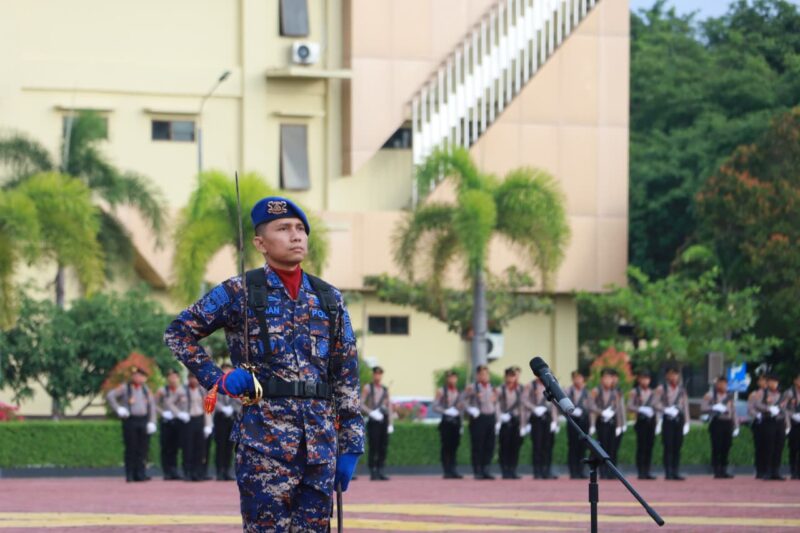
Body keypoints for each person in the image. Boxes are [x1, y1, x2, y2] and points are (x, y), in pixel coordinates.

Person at [164, 196, 364, 531]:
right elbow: (179, 332)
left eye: (300, 228)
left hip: (320, 447)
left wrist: (352, 445)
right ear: (260, 243)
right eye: (283, 228)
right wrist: (219, 378)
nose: (295, 235)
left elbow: (346, 374)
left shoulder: (329, 298)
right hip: (264, 446)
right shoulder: (239, 291)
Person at [106, 366, 157, 482]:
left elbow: (152, 406)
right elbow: (110, 396)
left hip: (143, 420)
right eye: (136, 375)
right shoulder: (125, 388)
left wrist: (152, 422)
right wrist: (118, 409)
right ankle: (130, 474)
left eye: (140, 376)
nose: (138, 378)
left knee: (143, 449)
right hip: (130, 420)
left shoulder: (146, 390)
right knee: (131, 448)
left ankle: (140, 473)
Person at [164, 373, 213, 481]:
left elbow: (207, 407)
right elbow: (169, 403)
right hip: (187, 420)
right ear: (188, 379)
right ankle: (188, 472)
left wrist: (208, 424)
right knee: (188, 447)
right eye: (192, 378)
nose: (194, 380)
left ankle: (198, 473)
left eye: (196, 378)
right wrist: (179, 413)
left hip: (199, 419)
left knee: (200, 448)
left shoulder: (202, 390)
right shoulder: (181, 390)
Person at [701, 375, 739, 479]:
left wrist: (736, 425)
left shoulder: (729, 396)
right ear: (717, 384)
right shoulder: (710, 395)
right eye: (721, 383)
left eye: (725, 384)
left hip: (728, 422)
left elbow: (733, 411)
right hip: (717, 422)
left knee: (726, 447)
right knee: (717, 447)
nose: (723, 385)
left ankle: (724, 469)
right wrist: (713, 407)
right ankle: (716, 470)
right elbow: (703, 407)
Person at [589, 368, 624, 479]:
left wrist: (619, 425)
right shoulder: (596, 390)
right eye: (606, 378)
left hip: (612, 422)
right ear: (602, 379)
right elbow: (591, 405)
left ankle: (611, 471)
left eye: (610, 378)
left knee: (612, 447)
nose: (608, 381)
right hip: (602, 421)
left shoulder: (616, 392)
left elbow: (618, 409)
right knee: (602, 447)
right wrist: (601, 412)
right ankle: (603, 471)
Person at [465, 365, 498, 480]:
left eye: (487, 374)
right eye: (482, 374)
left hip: (490, 418)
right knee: (478, 445)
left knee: (490, 445)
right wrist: (471, 409)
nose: (485, 376)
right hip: (478, 418)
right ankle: (477, 470)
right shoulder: (472, 388)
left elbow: (496, 404)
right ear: (477, 375)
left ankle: (486, 469)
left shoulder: (492, 387)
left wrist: (497, 419)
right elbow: (463, 401)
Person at [658, 365, 690, 480]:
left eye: (676, 374)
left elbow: (685, 406)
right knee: (668, 446)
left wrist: (687, 422)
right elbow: (655, 403)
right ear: (667, 375)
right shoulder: (662, 389)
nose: (674, 376)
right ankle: (668, 471)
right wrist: (665, 409)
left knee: (677, 446)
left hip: (679, 419)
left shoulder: (682, 390)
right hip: (668, 419)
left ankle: (676, 471)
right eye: (671, 374)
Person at [523, 375, 559, 480]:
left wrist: (555, 421)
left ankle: (546, 470)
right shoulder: (530, 385)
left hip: (548, 418)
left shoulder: (551, 384)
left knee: (548, 446)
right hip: (536, 417)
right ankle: (537, 471)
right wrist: (534, 408)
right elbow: (524, 400)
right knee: (537, 445)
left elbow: (554, 403)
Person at [361, 366, 393, 481]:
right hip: (373, 420)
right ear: (373, 375)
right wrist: (371, 412)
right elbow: (361, 403)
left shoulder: (385, 389)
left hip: (383, 420)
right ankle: (373, 470)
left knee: (383, 446)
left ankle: (381, 469)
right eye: (376, 374)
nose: (377, 376)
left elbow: (389, 406)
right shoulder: (368, 388)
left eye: (380, 374)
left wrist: (390, 423)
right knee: (374, 446)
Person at [753, 373, 787, 480]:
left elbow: (785, 408)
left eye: (776, 382)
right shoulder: (761, 392)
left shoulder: (781, 394)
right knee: (768, 447)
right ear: (768, 383)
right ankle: (766, 471)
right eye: (772, 382)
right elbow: (756, 404)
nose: (774, 384)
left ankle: (775, 471)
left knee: (779, 446)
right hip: (768, 421)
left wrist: (786, 422)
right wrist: (768, 408)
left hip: (779, 421)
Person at [432, 369, 464, 479]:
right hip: (446, 422)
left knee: (455, 446)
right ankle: (446, 470)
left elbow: (462, 408)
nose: (452, 379)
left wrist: (461, 423)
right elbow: (435, 406)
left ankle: (454, 469)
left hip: (456, 422)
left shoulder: (459, 392)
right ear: (447, 379)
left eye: (454, 377)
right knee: (446, 447)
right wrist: (445, 411)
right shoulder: (441, 391)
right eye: (450, 377)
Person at [627, 370, 659, 480]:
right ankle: (640, 471)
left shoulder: (653, 392)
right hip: (641, 421)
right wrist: (640, 408)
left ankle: (647, 470)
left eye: (647, 379)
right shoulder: (635, 392)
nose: (645, 381)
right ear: (639, 380)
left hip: (651, 421)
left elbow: (657, 406)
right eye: (643, 378)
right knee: (641, 446)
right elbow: (629, 406)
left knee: (649, 446)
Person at [214, 363, 242, 481]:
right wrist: (223, 408)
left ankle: (227, 470)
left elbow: (241, 401)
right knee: (220, 445)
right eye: (225, 372)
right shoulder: (216, 385)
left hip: (233, 417)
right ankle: (219, 471)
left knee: (230, 446)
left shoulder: (237, 385)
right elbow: (212, 399)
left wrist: (234, 408)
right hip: (221, 417)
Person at [496, 367, 524, 479]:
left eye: (514, 376)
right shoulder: (500, 389)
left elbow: (523, 406)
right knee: (504, 447)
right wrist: (499, 418)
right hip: (504, 420)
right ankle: (504, 470)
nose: (512, 378)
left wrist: (524, 423)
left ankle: (513, 470)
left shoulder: (520, 389)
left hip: (515, 420)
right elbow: (496, 405)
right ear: (505, 377)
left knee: (515, 447)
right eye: (510, 376)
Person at [156, 368, 184, 480]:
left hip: (178, 421)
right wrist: (162, 413)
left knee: (176, 447)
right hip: (166, 421)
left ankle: (174, 470)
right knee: (166, 447)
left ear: (178, 378)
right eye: (170, 377)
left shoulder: (182, 390)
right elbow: (154, 404)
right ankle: (167, 471)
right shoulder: (162, 390)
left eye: (174, 377)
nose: (172, 379)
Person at [565, 370, 590, 479]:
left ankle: (581, 470)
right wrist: (572, 411)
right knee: (573, 446)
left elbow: (591, 406)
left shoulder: (587, 392)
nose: (578, 380)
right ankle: (573, 471)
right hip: (572, 420)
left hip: (584, 420)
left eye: (580, 377)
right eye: (576, 378)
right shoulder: (568, 391)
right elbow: (563, 404)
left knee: (582, 447)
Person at [748, 373, 768, 479]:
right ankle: (760, 470)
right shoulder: (754, 394)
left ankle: (768, 469)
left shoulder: (772, 394)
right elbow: (750, 409)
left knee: (769, 447)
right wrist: (758, 415)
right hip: (759, 423)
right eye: (761, 380)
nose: (764, 383)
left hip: (770, 422)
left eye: (765, 380)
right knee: (760, 447)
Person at [783, 372, 800, 479]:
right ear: (795, 381)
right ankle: (793, 470)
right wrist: (792, 415)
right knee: (794, 447)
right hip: (793, 423)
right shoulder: (789, 393)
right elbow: (783, 408)